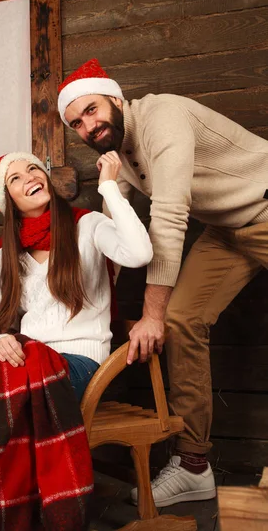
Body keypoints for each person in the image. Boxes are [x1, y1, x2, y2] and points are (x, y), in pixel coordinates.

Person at [57, 58, 268, 506]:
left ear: (115, 98)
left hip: (264, 205)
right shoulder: (117, 152)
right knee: (183, 319)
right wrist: (85, 285)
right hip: (226, 230)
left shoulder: (163, 116)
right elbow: (117, 223)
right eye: (76, 123)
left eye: (92, 110)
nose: (88, 126)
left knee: (162, 316)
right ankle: (194, 465)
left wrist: (150, 315)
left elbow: (169, 218)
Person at [0, 150, 153, 402]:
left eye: (32, 168)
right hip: (28, 362)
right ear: (7, 201)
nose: (29, 177)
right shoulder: (6, 255)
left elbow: (139, 254)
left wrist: (109, 187)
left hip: (81, 362)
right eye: (15, 178)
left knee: (16, 396)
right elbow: (2, 324)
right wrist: (0, 340)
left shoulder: (88, 225)